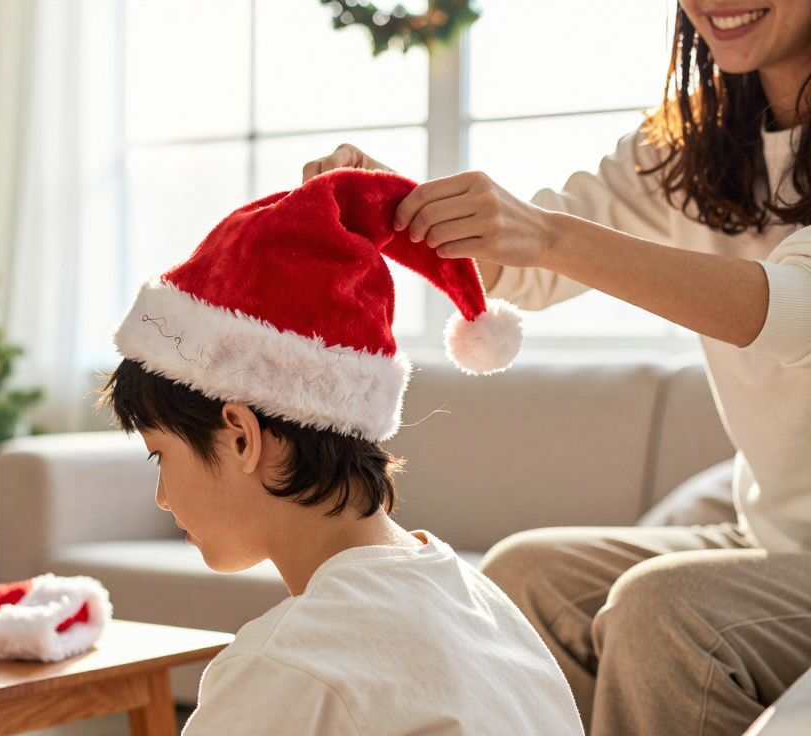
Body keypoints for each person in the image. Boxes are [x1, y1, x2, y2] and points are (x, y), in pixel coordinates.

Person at [302, 2, 811, 734]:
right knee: (524, 576)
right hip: (769, 537)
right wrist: (399, 208)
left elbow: (789, 311)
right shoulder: (691, 137)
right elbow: (530, 267)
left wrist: (546, 236)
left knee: (659, 611)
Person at [100, 167, 581, 734]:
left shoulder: (285, 670)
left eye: (160, 456)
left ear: (240, 435)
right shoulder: (491, 612)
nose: (160, 497)